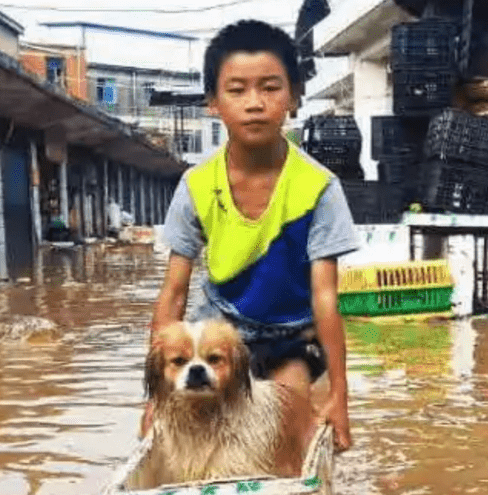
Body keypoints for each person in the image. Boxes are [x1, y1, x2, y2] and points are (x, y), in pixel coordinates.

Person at [141, 19, 362, 452]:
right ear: (213, 102)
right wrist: (153, 398)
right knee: (192, 433)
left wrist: (340, 396)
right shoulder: (196, 186)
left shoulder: (319, 188)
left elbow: (325, 299)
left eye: (270, 87)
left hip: (290, 338)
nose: (255, 104)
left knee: (289, 421)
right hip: (217, 335)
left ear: (294, 97)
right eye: (237, 90)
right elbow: (174, 293)